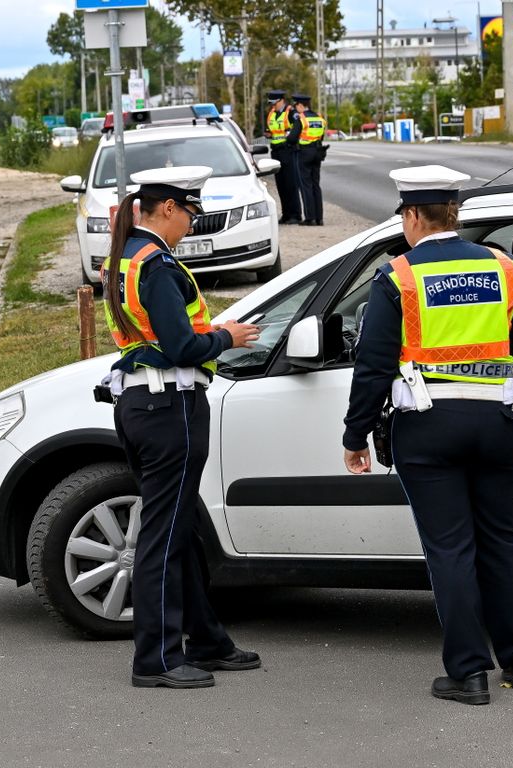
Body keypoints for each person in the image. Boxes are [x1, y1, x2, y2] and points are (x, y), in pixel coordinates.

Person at [342, 165, 513, 706]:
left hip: (428, 429)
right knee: (501, 540)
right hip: (498, 424)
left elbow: (374, 366)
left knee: (450, 548)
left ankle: (470, 673)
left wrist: (355, 434)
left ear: (412, 216)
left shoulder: (399, 278)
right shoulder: (504, 268)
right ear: (453, 213)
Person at [100, 166, 263, 689]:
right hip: (170, 407)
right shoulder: (158, 266)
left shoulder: (125, 258)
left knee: (183, 529)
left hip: (144, 406)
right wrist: (227, 337)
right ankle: (157, 660)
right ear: (167, 208)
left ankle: (208, 640)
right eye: (189, 214)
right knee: (164, 539)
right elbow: (181, 346)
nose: (191, 225)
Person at [265, 89, 302, 224]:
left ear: (281, 100)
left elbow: (298, 129)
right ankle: (286, 214)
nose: (273, 106)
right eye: (271, 103)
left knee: (291, 183)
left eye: (275, 103)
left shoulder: (291, 112)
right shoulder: (271, 114)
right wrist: (268, 134)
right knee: (281, 185)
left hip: (288, 150)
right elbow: (272, 130)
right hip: (276, 151)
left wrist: (290, 138)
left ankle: (295, 215)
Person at [292, 93, 326, 226]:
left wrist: (291, 141)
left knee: (306, 186)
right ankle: (319, 218)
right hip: (317, 152)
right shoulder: (319, 118)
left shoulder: (302, 119)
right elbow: (321, 136)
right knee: (316, 185)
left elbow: (292, 138)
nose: (296, 108)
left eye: (296, 106)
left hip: (304, 153)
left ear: (301, 105)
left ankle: (310, 218)